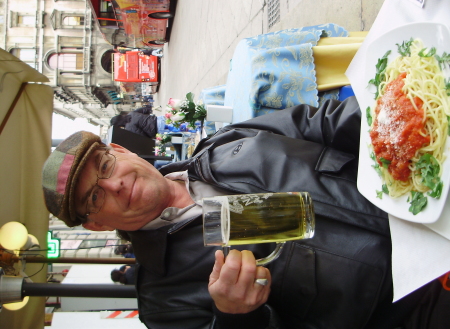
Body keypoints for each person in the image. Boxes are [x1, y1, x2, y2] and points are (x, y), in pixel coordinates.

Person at [42, 97, 429, 328]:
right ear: (95, 224)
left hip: (425, 190)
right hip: (418, 308)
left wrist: (409, 116)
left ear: (122, 152)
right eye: (94, 197)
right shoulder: (163, 302)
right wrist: (236, 317)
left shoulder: (221, 144)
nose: (115, 185)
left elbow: (321, 123)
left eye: (105, 166)